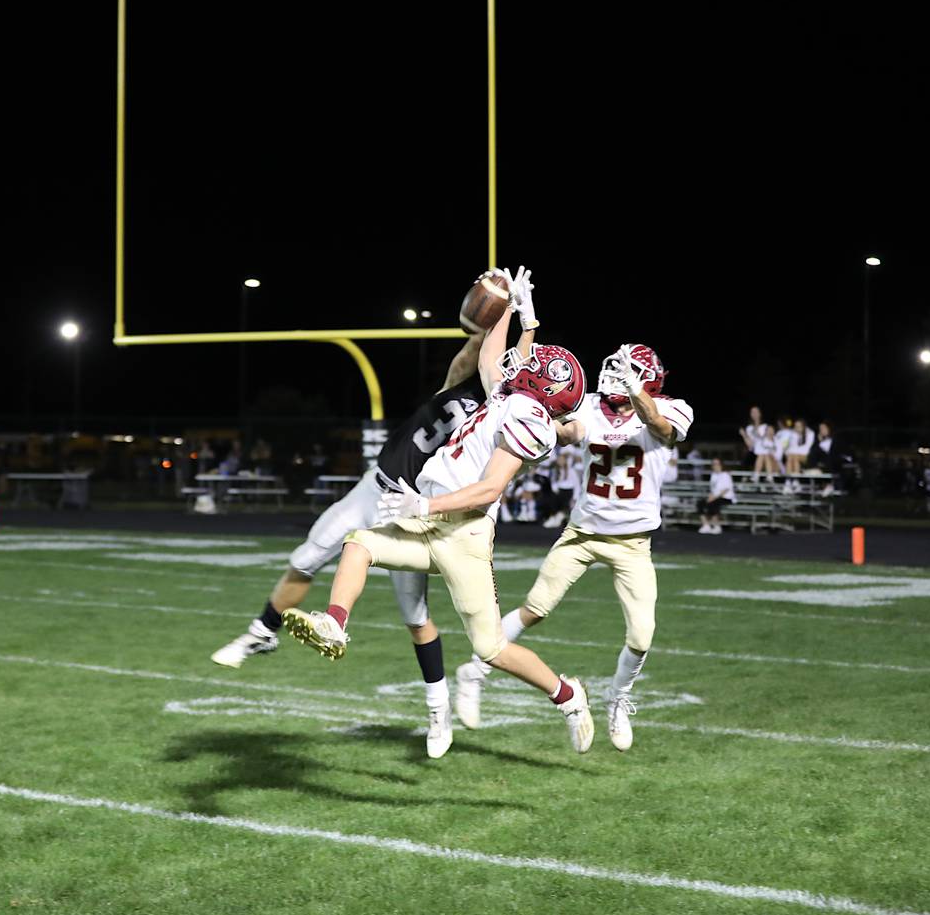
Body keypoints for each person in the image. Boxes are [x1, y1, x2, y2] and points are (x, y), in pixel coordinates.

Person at [210, 268, 538, 759]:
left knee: (415, 616)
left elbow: (511, 373)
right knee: (308, 555)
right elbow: (478, 349)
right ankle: (262, 632)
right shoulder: (461, 380)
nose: (505, 367)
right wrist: (502, 307)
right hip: (374, 487)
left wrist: (518, 320)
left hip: (412, 508)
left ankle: (437, 708)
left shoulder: (501, 415)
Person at [277, 273, 601, 755]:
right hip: (427, 520)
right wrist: (516, 310)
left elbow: (488, 489)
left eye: (535, 365)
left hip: (463, 537)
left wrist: (423, 503)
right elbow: (493, 354)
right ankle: (336, 624)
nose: (525, 362)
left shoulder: (530, 423)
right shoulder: (510, 398)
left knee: (491, 649)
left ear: (540, 391)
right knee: (359, 542)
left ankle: (569, 696)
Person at [455, 341, 694, 753]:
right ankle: (475, 671)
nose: (614, 378)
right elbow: (568, 432)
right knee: (535, 609)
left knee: (642, 636)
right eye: (615, 369)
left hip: (633, 544)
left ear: (647, 380)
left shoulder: (671, 407)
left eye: (626, 372)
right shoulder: (590, 406)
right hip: (581, 534)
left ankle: (617, 697)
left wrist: (638, 395)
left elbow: (660, 428)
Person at [697, 458, 734, 533]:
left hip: (726, 497)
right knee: (700, 503)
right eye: (713, 464)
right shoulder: (713, 475)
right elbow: (713, 489)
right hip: (714, 497)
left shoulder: (725, 475)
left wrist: (714, 497)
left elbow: (726, 490)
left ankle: (716, 526)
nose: (715, 466)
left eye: (716, 464)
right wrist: (710, 497)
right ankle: (706, 525)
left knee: (713, 504)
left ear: (721, 465)